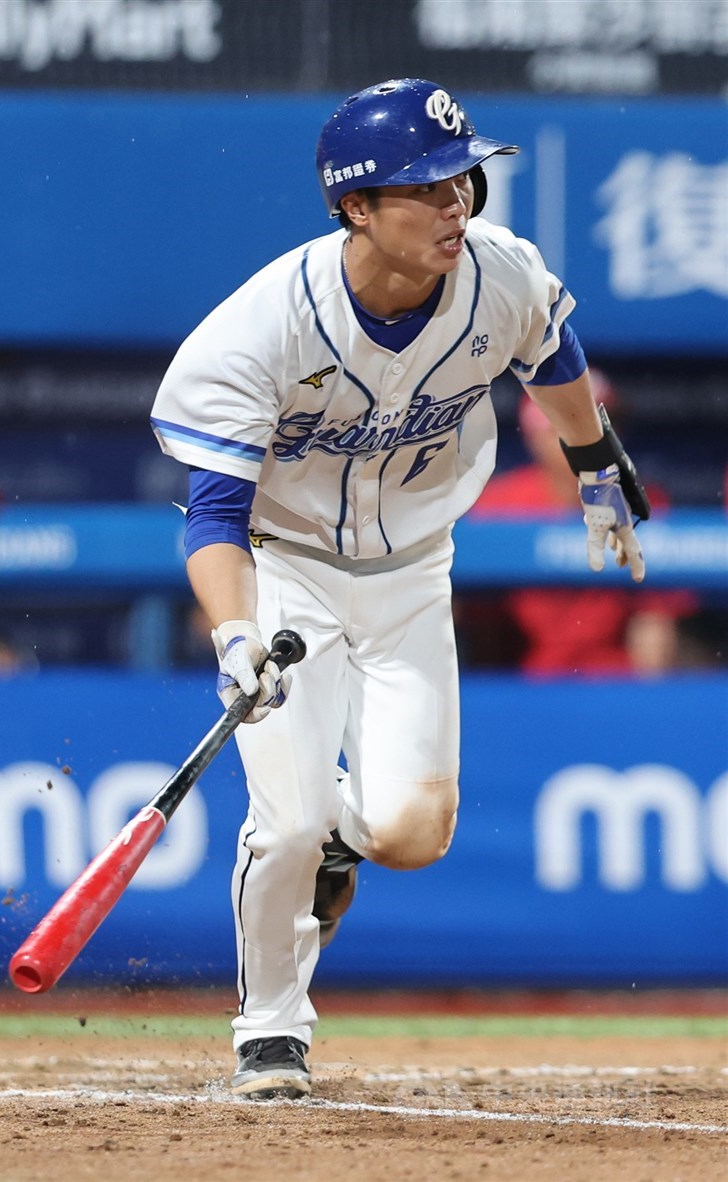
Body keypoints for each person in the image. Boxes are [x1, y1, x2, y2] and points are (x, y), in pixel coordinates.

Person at [150, 78, 649, 1100]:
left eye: (459, 179)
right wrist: (235, 635)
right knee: (285, 822)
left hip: (413, 572)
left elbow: (550, 350)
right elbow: (213, 517)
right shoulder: (261, 329)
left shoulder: (498, 274)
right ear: (355, 207)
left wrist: (593, 461)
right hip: (283, 566)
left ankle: (343, 840)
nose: (454, 203)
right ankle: (271, 1030)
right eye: (422, 188)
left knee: (412, 835)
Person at [466, 375, 694, 675]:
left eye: (605, 425)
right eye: (574, 424)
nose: (594, 439)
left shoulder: (643, 502)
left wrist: (644, 700)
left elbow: (653, 627)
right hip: (523, 683)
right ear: (537, 436)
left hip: (613, 683)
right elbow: (473, 628)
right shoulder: (498, 506)